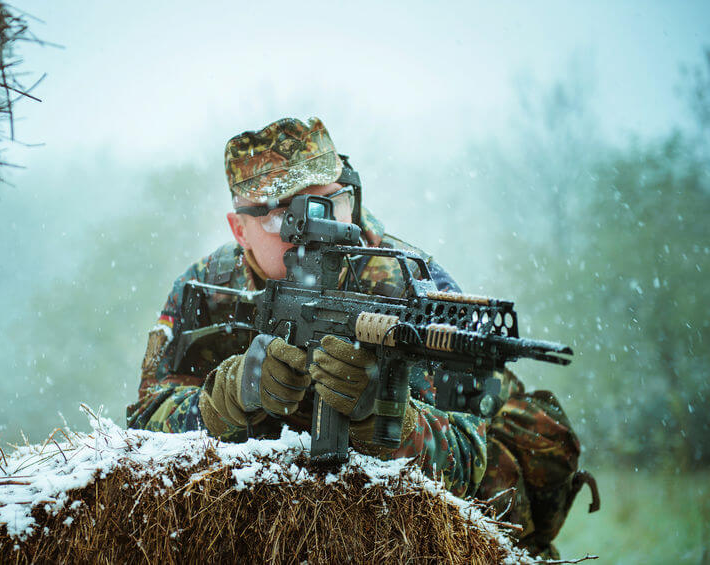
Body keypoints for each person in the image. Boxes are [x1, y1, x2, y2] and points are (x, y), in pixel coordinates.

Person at [126, 117, 594, 558]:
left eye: (332, 201)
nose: (315, 227)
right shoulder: (210, 288)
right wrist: (224, 399)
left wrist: (391, 421)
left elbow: (479, 464)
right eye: (281, 216)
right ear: (239, 229)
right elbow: (142, 424)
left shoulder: (410, 287)